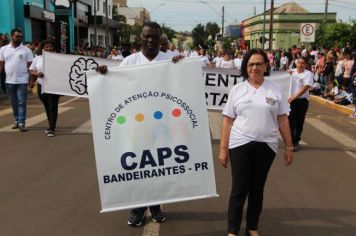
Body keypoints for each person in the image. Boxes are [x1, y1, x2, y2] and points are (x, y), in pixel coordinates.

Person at [96, 21, 184, 227]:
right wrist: (103, 75)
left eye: (155, 37)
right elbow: (115, 85)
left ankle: (155, 207)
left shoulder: (171, 60)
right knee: (137, 168)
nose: (151, 40)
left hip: (162, 125)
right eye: (147, 36)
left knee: (157, 167)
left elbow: (184, 82)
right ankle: (137, 209)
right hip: (136, 126)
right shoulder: (129, 61)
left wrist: (183, 65)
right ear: (141, 38)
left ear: (161, 39)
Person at [219, 48, 293, 236]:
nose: (254, 68)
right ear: (246, 67)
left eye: (259, 64)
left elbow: (283, 119)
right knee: (239, 189)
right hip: (239, 145)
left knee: (257, 189)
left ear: (266, 66)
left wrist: (289, 146)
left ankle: (252, 227)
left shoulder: (274, 89)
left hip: (266, 146)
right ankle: (233, 230)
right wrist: (223, 149)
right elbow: (227, 120)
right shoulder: (238, 89)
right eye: (251, 64)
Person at [0, 28, 34, 132]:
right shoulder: (3, 49)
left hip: (22, 81)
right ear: (11, 36)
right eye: (17, 36)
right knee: (13, 102)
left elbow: (30, 67)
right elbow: (1, 65)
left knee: (21, 102)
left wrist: (31, 80)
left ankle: (21, 122)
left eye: (21, 37)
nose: (19, 38)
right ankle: (16, 120)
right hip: (9, 81)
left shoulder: (26, 50)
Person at [29, 39, 61, 137]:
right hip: (41, 86)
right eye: (46, 46)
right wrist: (37, 74)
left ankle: (52, 128)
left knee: (53, 107)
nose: (48, 48)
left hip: (54, 86)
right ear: (42, 48)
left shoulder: (59, 58)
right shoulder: (37, 58)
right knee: (47, 106)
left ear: (53, 47)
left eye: (50, 46)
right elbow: (31, 70)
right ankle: (50, 125)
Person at [288, 57, 314, 151]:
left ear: (306, 64)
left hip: (302, 101)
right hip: (291, 101)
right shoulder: (291, 72)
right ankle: (290, 141)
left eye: (303, 63)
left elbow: (306, 87)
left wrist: (294, 96)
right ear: (296, 63)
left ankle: (296, 141)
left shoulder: (308, 74)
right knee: (291, 121)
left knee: (299, 121)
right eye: (299, 62)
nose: (301, 64)